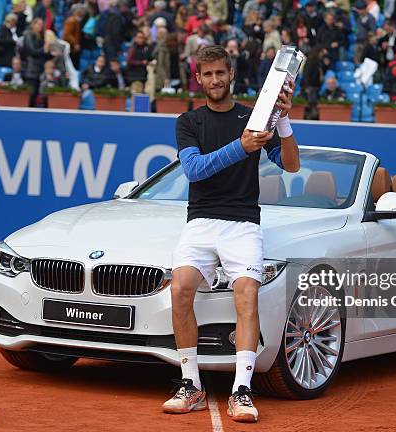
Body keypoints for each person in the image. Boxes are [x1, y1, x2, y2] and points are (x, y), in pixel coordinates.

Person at [161, 45, 299, 424]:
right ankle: (191, 384)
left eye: (220, 73)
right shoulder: (188, 122)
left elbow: (291, 165)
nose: (215, 80)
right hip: (200, 222)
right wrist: (241, 146)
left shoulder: (254, 118)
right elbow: (195, 170)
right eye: (207, 74)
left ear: (231, 75)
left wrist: (282, 122)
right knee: (179, 289)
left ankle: (242, 390)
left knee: (246, 296)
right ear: (198, 78)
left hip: (243, 224)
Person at [23, 18, 49, 106]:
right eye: (38, 24)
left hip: (40, 68)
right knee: (32, 93)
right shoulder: (28, 35)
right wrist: (44, 49)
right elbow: (32, 51)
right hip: (31, 69)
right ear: (33, 25)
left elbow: (44, 53)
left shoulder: (42, 36)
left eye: (42, 25)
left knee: (39, 92)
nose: (40, 27)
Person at [62, 4, 85, 70]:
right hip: (71, 48)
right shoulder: (71, 21)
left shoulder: (77, 21)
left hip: (74, 49)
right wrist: (75, 43)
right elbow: (66, 34)